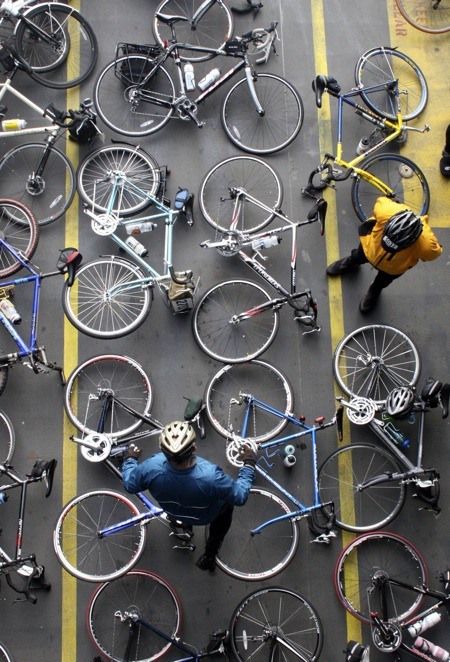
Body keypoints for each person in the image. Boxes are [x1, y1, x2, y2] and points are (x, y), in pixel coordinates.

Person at [122, 421, 257, 572]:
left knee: (177, 509)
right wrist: (249, 464)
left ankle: (182, 528)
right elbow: (240, 496)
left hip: (173, 510)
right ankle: (209, 556)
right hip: (207, 515)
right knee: (225, 510)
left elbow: (130, 484)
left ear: (163, 451)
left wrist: (129, 460)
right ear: (194, 447)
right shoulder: (211, 477)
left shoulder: (151, 467)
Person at [326, 197, 442, 313]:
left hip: (392, 268)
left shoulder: (426, 244)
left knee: (382, 281)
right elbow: (381, 201)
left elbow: (435, 251)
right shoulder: (386, 211)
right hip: (370, 248)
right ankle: (351, 261)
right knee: (358, 256)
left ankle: (374, 290)